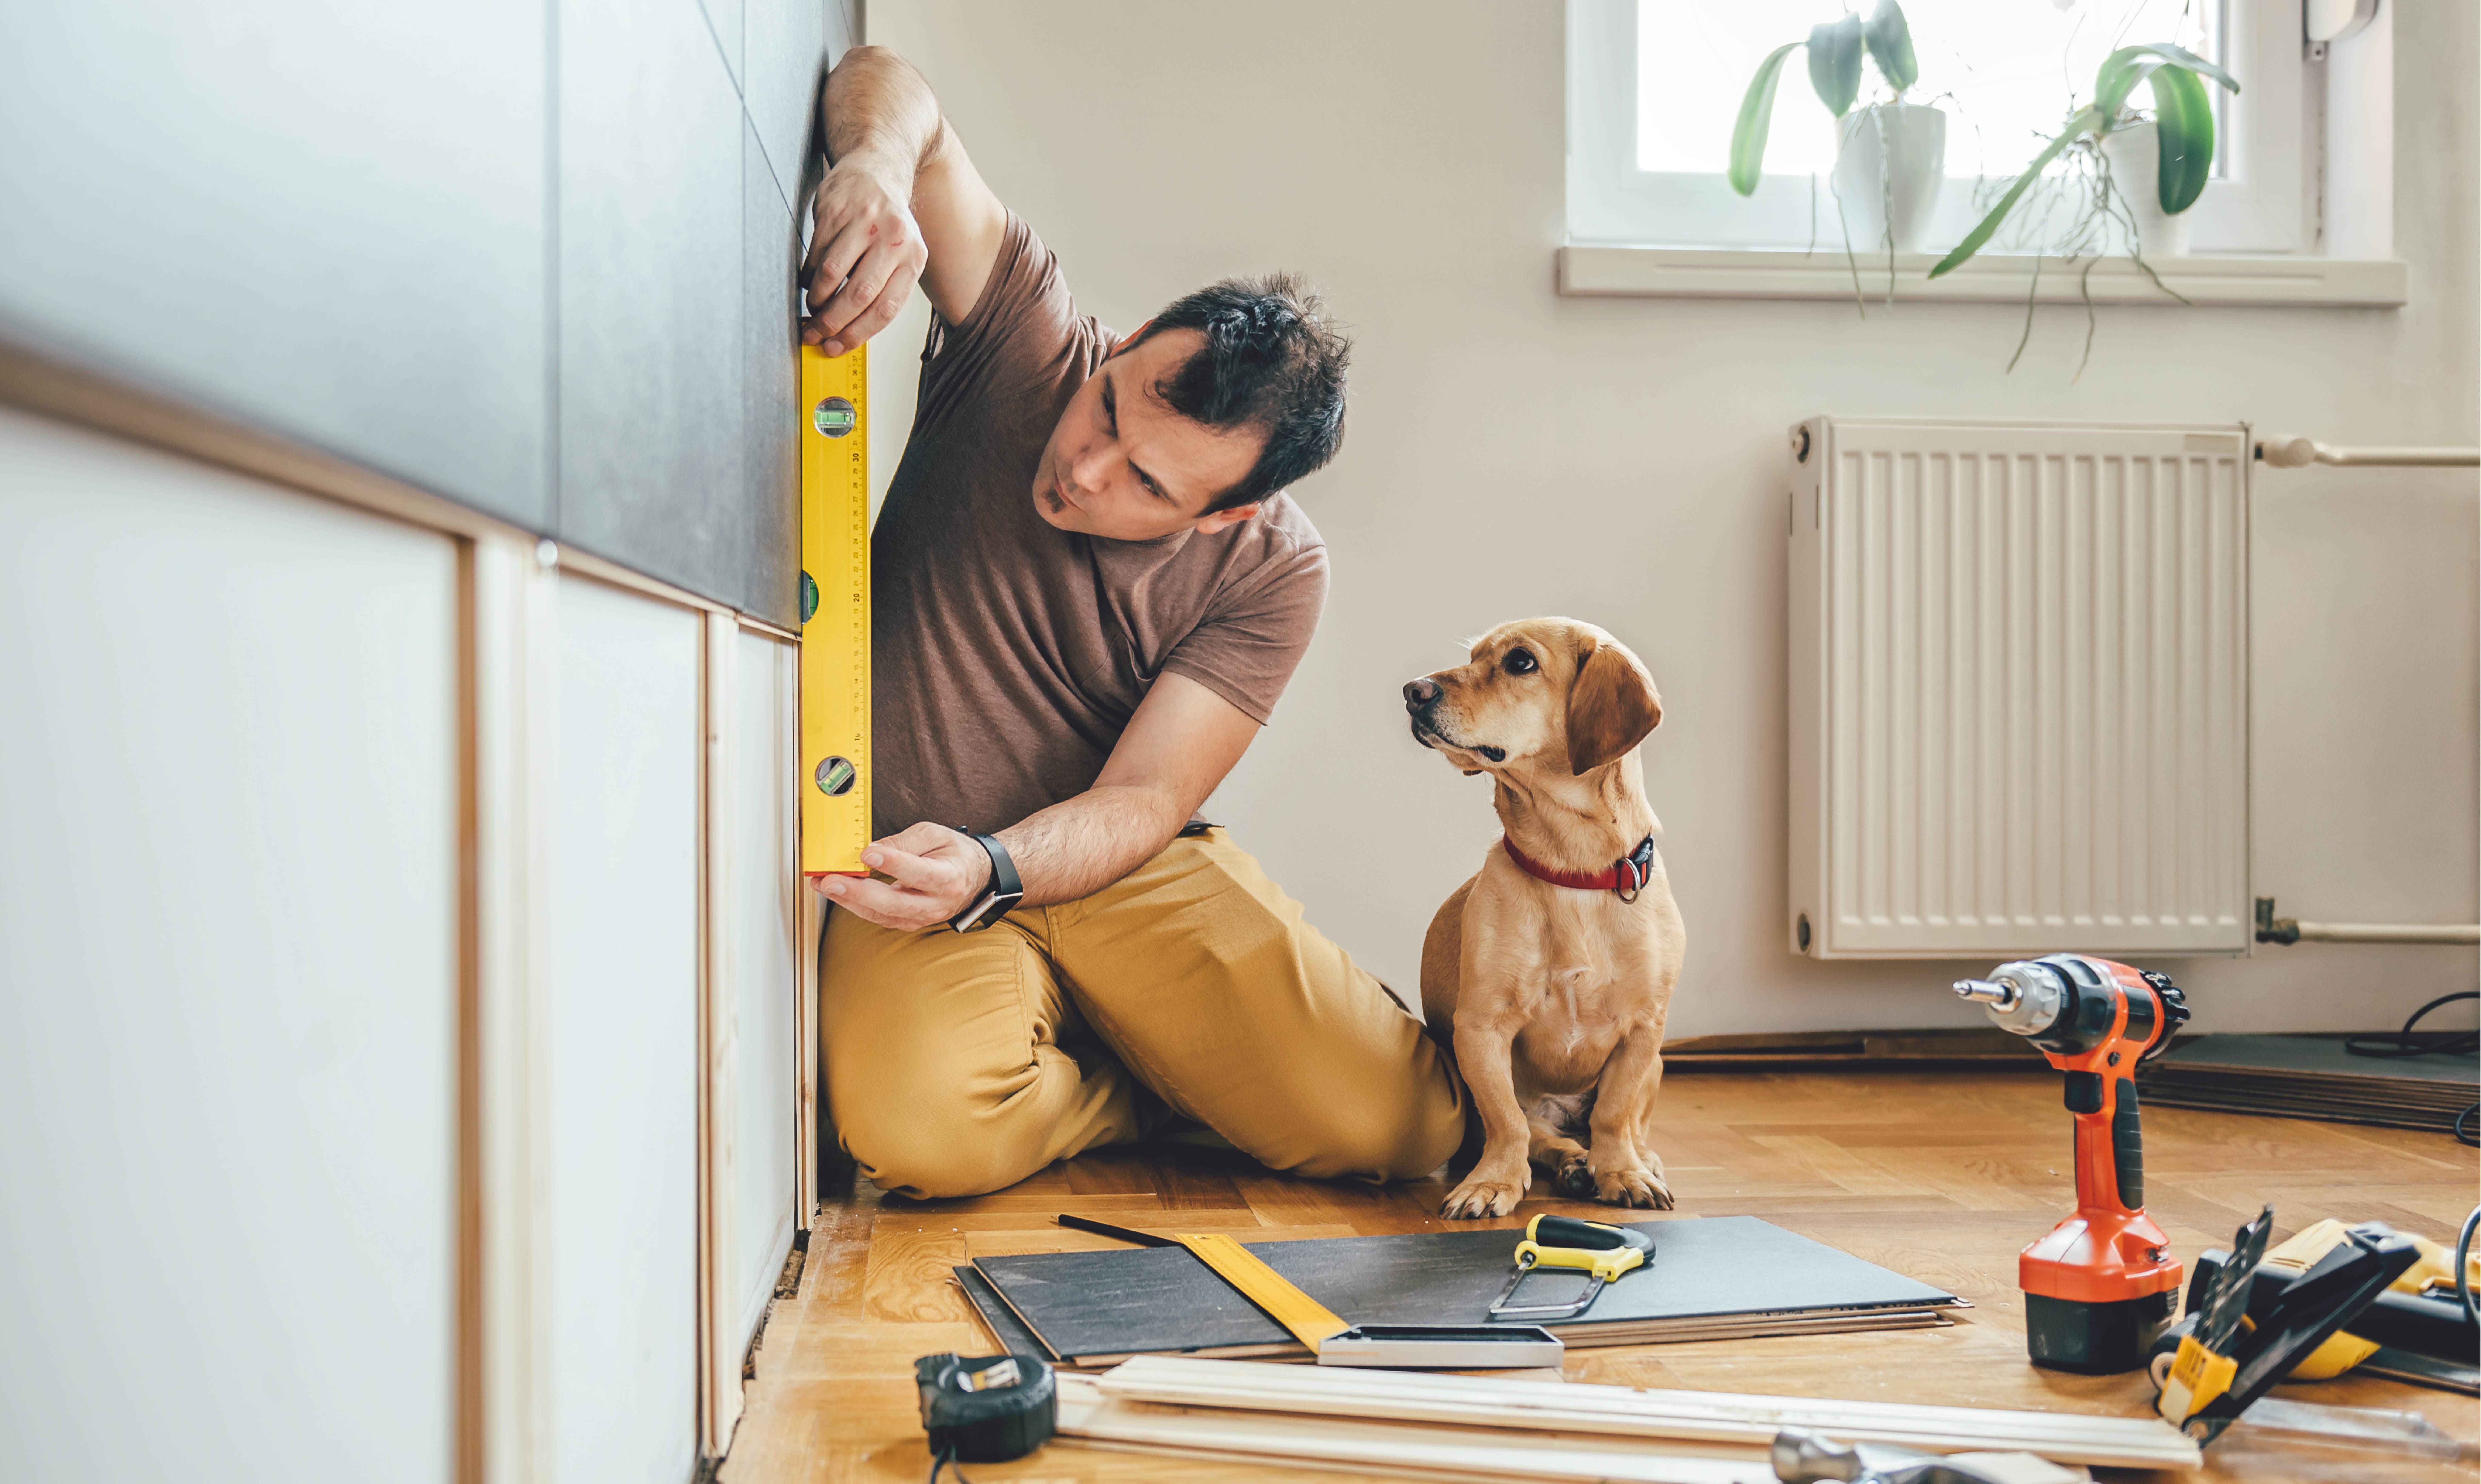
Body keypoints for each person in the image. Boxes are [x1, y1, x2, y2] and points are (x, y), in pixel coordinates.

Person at [800, 46, 1464, 1200]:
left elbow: (1147, 798)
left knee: (1404, 1126)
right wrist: (873, 159)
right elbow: (891, 84)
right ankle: (1147, 1081)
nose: (1084, 469)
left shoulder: (1274, 570)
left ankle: (1165, 1053)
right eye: (1110, 405)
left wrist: (1001, 862)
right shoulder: (1027, 346)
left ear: (1227, 515)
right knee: (921, 1138)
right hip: (908, 860)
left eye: (1148, 486)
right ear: (1125, 343)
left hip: (1104, 860)